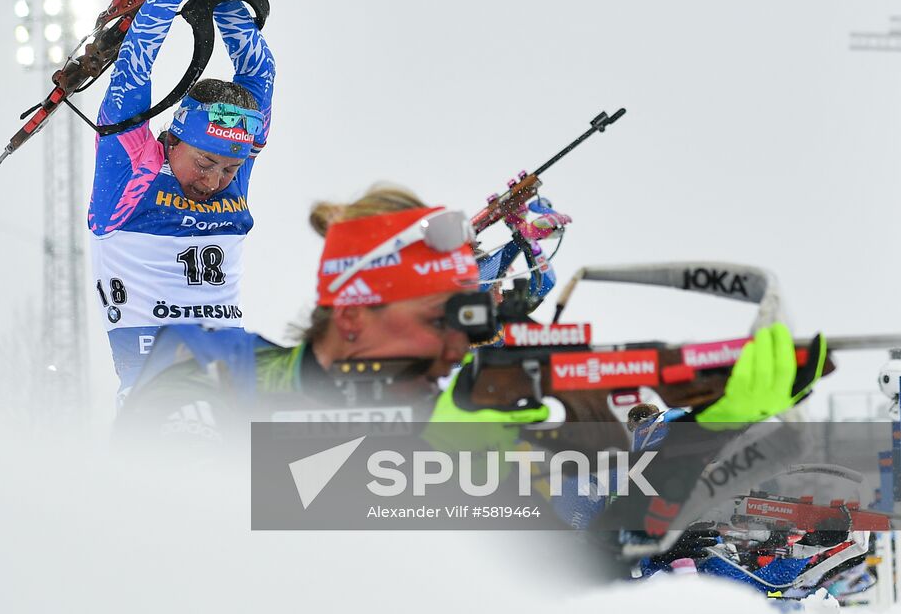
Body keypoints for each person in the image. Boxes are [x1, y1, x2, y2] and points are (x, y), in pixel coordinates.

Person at [118, 184, 827, 448]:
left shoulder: (452, 416)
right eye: (440, 317)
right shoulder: (207, 365)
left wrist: (706, 439)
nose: (459, 343)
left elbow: (601, 563)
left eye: (470, 319)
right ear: (356, 317)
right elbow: (182, 521)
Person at [89, 0, 276, 401]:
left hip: (234, 386)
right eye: (206, 162)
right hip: (156, 394)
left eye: (231, 167)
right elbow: (136, 61)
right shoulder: (131, 165)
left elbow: (259, 70)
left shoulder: (237, 162)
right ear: (174, 138)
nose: (216, 180)